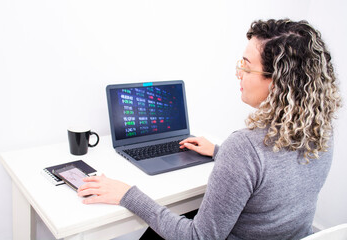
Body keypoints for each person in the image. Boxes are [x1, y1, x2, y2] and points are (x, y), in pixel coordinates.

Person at [77, 19, 341, 239]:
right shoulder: (319, 132)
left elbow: (199, 237)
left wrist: (127, 194)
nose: (239, 73)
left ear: (277, 82)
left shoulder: (245, 148)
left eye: (246, 66)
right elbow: (272, 172)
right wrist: (218, 151)